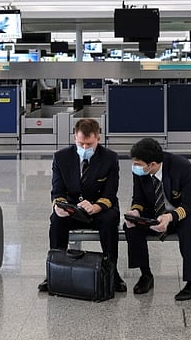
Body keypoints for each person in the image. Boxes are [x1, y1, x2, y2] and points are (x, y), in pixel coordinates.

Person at [123, 138, 191, 301]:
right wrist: (135, 211)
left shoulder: (181, 167)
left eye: (138, 164)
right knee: (132, 226)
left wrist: (170, 217)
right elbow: (139, 197)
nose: (135, 167)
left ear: (153, 164)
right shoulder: (141, 171)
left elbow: (190, 205)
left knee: (188, 227)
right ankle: (145, 275)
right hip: (158, 210)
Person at [39, 119, 126, 292]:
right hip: (72, 208)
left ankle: (111, 271)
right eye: (81, 143)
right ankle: (55, 270)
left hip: (100, 208)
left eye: (89, 144)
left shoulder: (109, 158)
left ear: (98, 138)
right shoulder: (61, 157)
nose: (85, 148)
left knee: (109, 221)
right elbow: (57, 190)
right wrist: (60, 206)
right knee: (57, 220)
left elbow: (110, 193)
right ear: (74, 138)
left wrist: (96, 207)